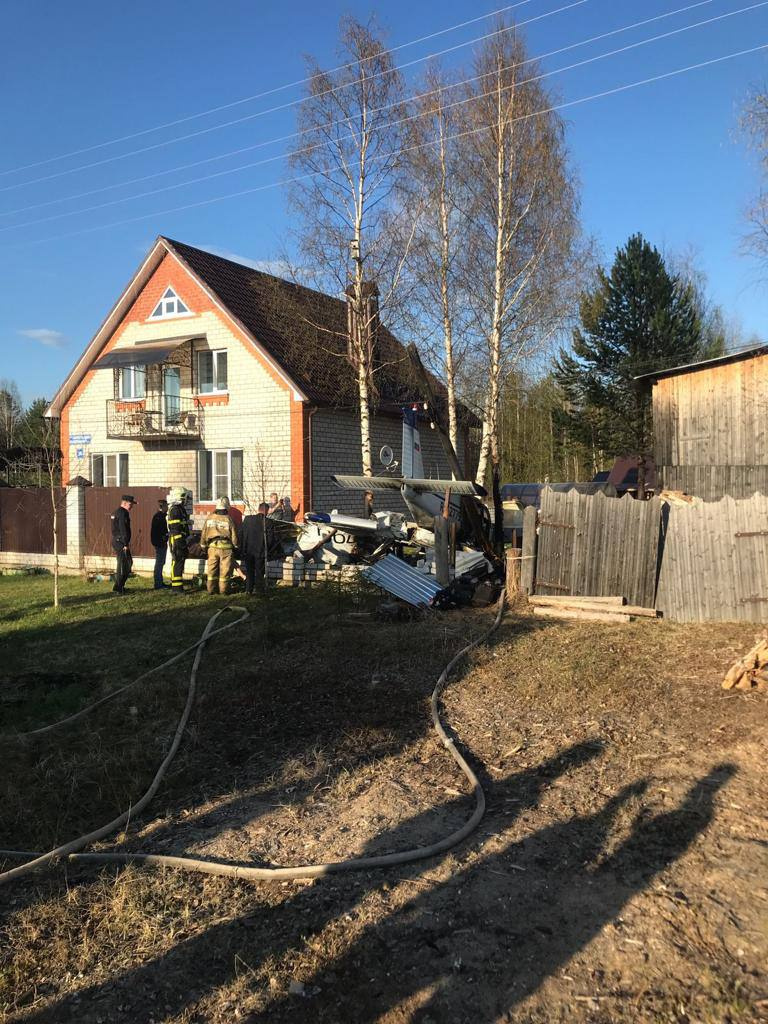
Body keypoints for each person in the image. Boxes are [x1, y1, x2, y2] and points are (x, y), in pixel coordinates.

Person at [200, 496, 239, 595]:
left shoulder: (209, 518)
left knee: (211, 570)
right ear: (226, 507)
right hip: (226, 549)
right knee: (225, 572)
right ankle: (224, 591)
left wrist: (203, 546)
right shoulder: (228, 519)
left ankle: (211, 590)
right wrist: (236, 546)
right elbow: (234, 535)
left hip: (212, 547)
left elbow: (204, 533)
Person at [240, 501, 275, 595]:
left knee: (249, 571)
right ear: (267, 511)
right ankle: (259, 590)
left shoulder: (247, 519)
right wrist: (267, 548)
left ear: (258, 509)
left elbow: (241, 534)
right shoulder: (268, 522)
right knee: (259, 572)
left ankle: (248, 590)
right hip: (260, 551)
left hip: (248, 551)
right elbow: (270, 539)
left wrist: (242, 548)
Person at [166, 487, 191, 594]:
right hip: (177, 540)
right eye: (185, 498)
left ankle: (177, 586)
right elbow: (175, 528)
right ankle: (176, 588)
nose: (186, 500)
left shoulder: (179, 509)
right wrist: (180, 543)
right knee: (177, 562)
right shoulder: (175, 510)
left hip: (180, 539)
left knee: (179, 562)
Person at [110, 494, 136, 594]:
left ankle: (119, 586)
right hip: (120, 542)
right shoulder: (122, 513)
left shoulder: (118, 512)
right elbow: (123, 528)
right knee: (124, 565)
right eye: (130, 504)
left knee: (127, 563)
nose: (132, 506)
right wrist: (125, 543)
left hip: (118, 541)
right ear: (124, 503)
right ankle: (118, 588)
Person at [150, 498, 169, 589]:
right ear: (163, 506)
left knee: (161, 562)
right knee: (159, 563)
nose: (168, 508)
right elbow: (159, 531)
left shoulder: (160, 516)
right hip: (159, 543)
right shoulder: (159, 517)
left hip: (161, 542)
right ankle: (158, 583)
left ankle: (159, 582)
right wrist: (164, 537)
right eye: (167, 506)